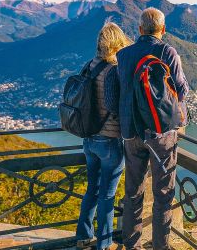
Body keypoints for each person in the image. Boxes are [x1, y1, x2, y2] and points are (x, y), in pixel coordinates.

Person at [113, 7, 189, 250]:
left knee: (133, 193)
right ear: (163, 29)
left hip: (131, 132)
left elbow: (118, 92)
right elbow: (182, 89)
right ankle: (160, 246)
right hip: (161, 134)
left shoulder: (123, 55)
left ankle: (131, 245)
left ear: (139, 29)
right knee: (163, 195)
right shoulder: (167, 51)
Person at [76, 21, 132, 250]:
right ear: (117, 43)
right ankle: (104, 243)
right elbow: (111, 104)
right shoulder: (113, 70)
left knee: (92, 190)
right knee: (107, 196)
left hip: (88, 140)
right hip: (109, 142)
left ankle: (83, 236)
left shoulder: (89, 66)